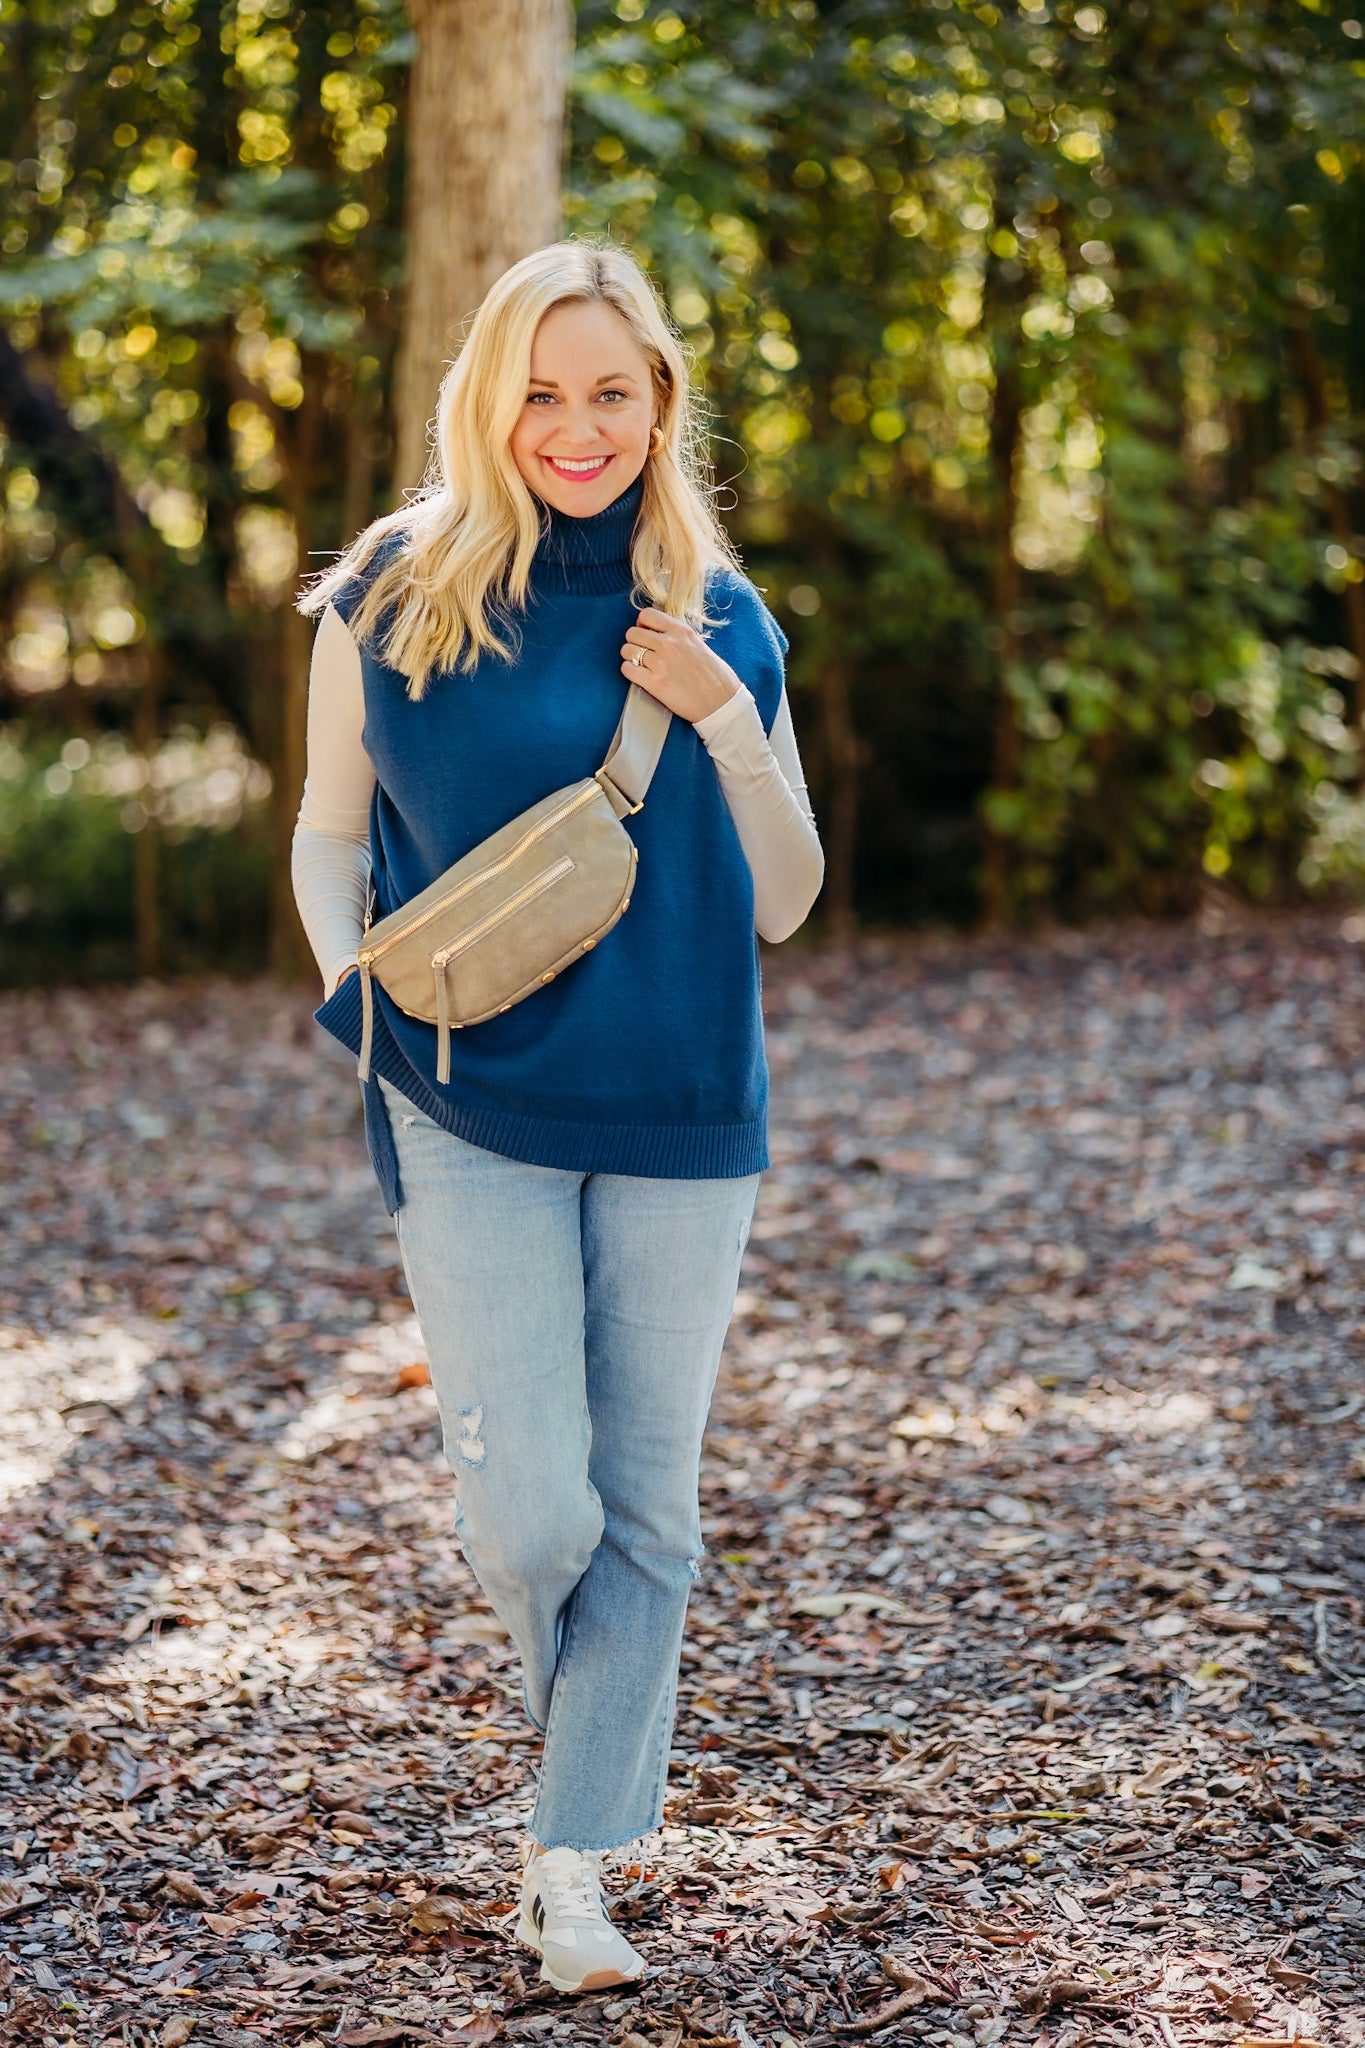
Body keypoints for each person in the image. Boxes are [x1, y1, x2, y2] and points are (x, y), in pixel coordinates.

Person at [291, 240, 823, 1994]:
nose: (575, 426)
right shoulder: (391, 592)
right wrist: (355, 997)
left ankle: (566, 1863)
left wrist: (727, 720)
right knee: (533, 1519)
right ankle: (590, 1763)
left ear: (659, 402)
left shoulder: (716, 616)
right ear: (487, 396)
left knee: (647, 1512)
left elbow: (787, 900)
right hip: (463, 1100)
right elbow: (323, 827)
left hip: (683, 1103)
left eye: (612, 391)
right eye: (542, 389)